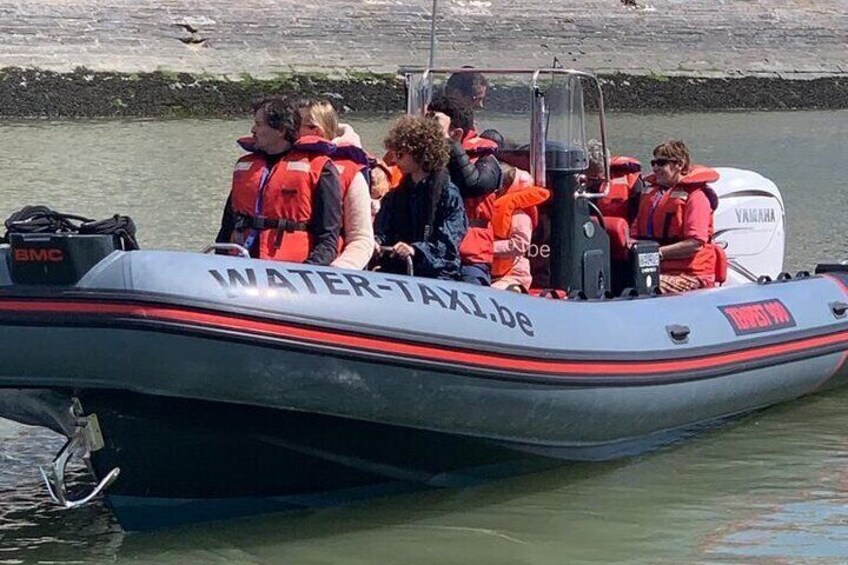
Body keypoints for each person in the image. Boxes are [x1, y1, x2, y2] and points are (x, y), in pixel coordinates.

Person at [215, 96, 342, 265]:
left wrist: (307, 271)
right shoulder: (245, 167)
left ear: (281, 130)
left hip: (290, 270)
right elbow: (227, 227)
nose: (253, 130)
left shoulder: (320, 169)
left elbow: (327, 240)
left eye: (259, 124)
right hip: (239, 264)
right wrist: (217, 263)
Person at [373, 115, 468, 280]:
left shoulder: (448, 195)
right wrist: (375, 242)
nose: (394, 160)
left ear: (420, 153)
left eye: (400, 154)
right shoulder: (394, 197)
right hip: (399, 271)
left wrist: (415, 250)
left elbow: (448, 244)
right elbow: (382, 230)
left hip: (438, 275)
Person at [428, 94, 502, 285]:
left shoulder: (487, 159)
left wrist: (449, 142)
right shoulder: (424, 160)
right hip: (431, 251)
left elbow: (474, 186)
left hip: (470, 257)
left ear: (457, 133)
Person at [632, 139, 720, 293]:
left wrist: (655, 254)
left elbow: (696, 243)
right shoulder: (650, 195)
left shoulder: (696, 196)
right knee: (621, 278)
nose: (655, 168)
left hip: (691, 274)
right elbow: (634, 233)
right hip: (654, 268)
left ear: (679, 164)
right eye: (653, 163)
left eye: (661, 163)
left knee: (650, 284)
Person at [297, 99, 373, 270]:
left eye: (297, 125)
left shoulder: (351, 173)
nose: (290, 130)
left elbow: (361, 238)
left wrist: (337, 271)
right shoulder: (280, 162)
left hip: (328, 272)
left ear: (315, 129)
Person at [491, 165, 549, 290]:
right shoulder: (493, 210)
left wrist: (488, 247)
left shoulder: (520, 216)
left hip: (513, 276)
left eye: (503, 185)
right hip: (492, 272)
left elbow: (519, 245)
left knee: (495, 292)